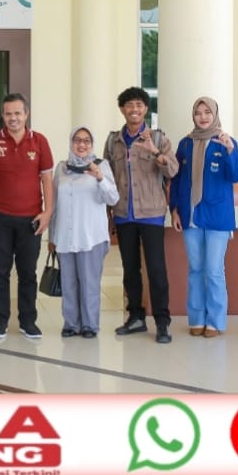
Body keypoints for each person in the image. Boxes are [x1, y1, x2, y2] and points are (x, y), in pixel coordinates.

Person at [0, 93, 54, 340]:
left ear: (26, 114)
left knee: (28, 272)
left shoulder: (39, 141)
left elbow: (47, 179)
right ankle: (0, 320)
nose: (13, 118)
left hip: (31, 218)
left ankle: (28, 321)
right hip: (0, 218)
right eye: (8, 114)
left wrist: (48, 212)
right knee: (0, 271)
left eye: (17, 113)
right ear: (3, 115)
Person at [104, 87, 178, 344]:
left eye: (139, 105)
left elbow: (172, 170)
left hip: (152, 213)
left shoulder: (158, 138)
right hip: (123, 213)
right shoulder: (113, 141)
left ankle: (162, 321)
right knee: (130, 269)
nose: (134, 109)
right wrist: (108, 214)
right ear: (122, 109)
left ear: (146, 109)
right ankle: (135, 317)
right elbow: (107, 179)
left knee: (156, 269)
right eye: (129, 105)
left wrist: (155, 152)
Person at [170, 96, 238, 337]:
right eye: (198, 112)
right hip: (190, 214)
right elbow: (177, 179)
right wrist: (174, 209)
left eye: (207, 112)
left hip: (218, 216)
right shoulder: (185, 144)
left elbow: (235, 176)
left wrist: (230, 151)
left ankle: (216, 321)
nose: (202, 117)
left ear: (215, 114)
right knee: (195, 269)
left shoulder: (226, 141)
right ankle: (197, 318)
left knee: (213, 270)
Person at [49, 127, 119, 338]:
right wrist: (52, 236)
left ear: (92, 144)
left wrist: (100, 178)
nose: (81, 145)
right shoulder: (62, 168)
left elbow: (113, 198)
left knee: (89, 283)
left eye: (86, 141)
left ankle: (89, 325)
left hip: (91, 236)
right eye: (77, 140)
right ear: (71, 142)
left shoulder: (101, 165)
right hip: (65, 236)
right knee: (68, 282)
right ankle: (71, 323)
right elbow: (54, 204)